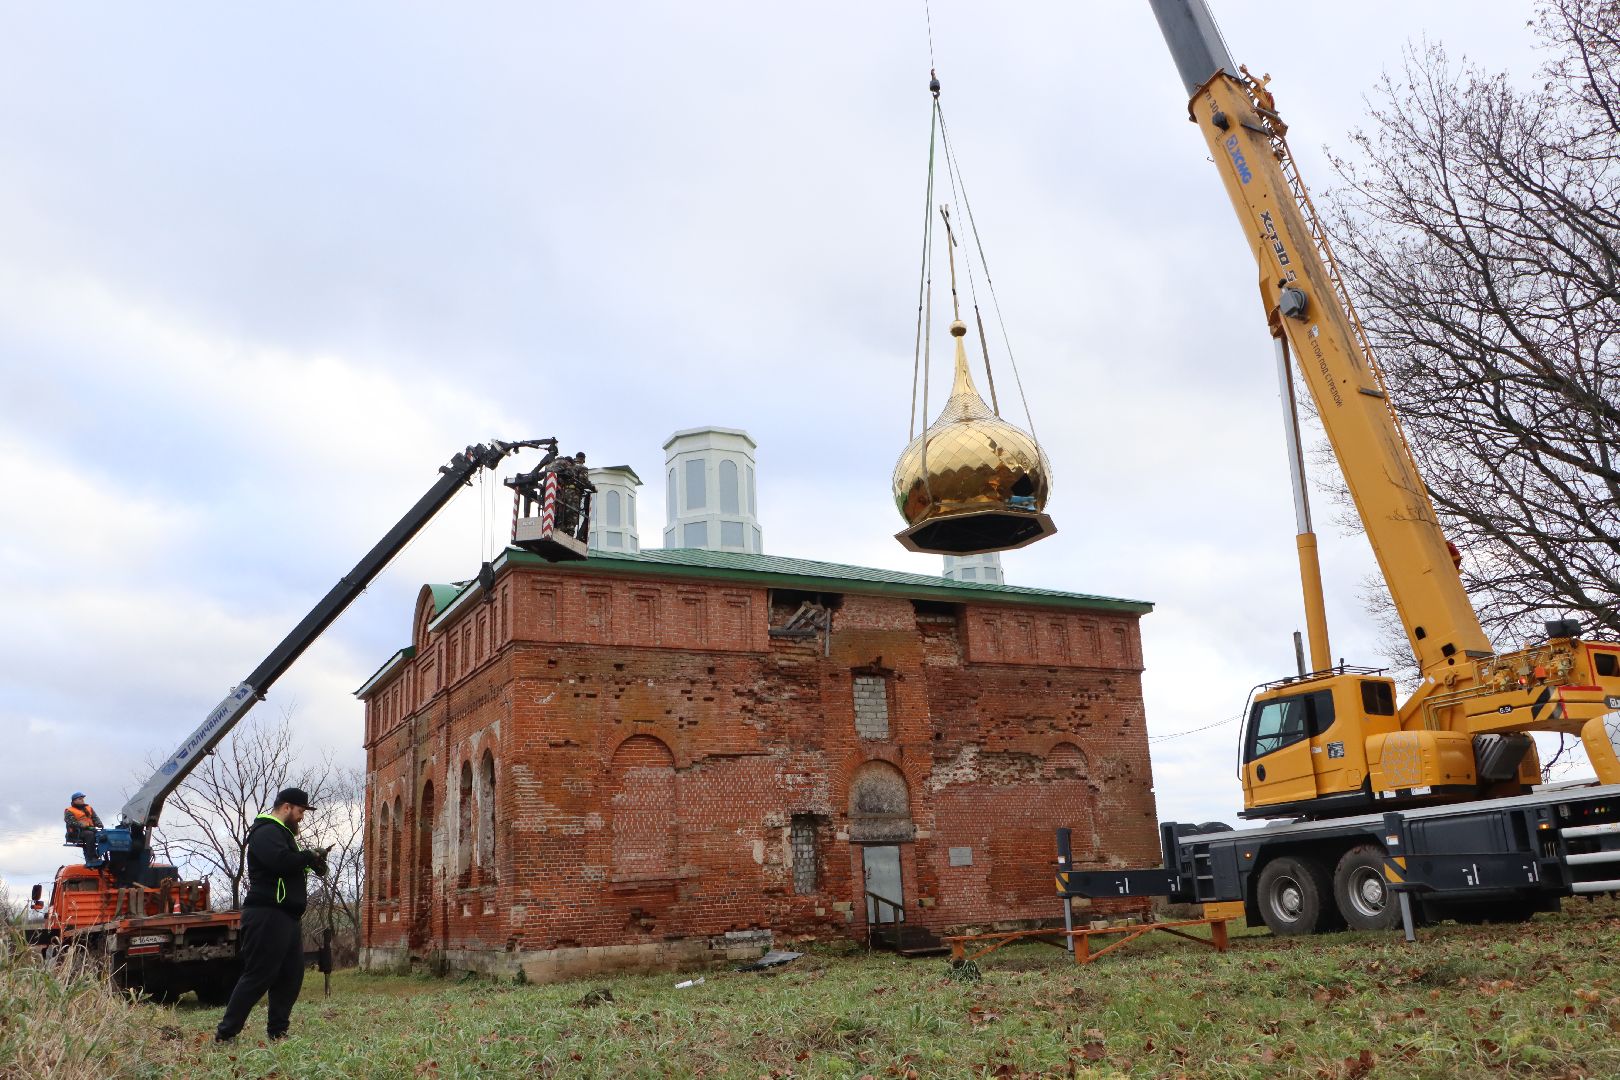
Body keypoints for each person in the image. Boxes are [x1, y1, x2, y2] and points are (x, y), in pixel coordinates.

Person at [215, 787, 331, 1043]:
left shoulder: (283, 834)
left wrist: (313, 861)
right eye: (301, 811)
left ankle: (278, 1032)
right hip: (267, 913)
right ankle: (226, 1033)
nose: (302, 817)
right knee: (259, 975)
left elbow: (289, 863)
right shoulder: (265, 831)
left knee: (291, 975)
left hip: (287, 917)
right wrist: (306, 856)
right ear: (287, 807)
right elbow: (279, 861)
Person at [64, 792, 102, 861]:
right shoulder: (69, 810)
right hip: (76, 832)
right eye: (80, 799)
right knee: (89, 835)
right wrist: (84, 826)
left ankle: (104, 855)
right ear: (74, 801)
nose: (82, 800)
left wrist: (99, 824)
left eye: (82, 798)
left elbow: (95, 817)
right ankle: (92, 857)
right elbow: (72, 823)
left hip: (90, 829)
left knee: (103, 835)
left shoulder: (89, 808)